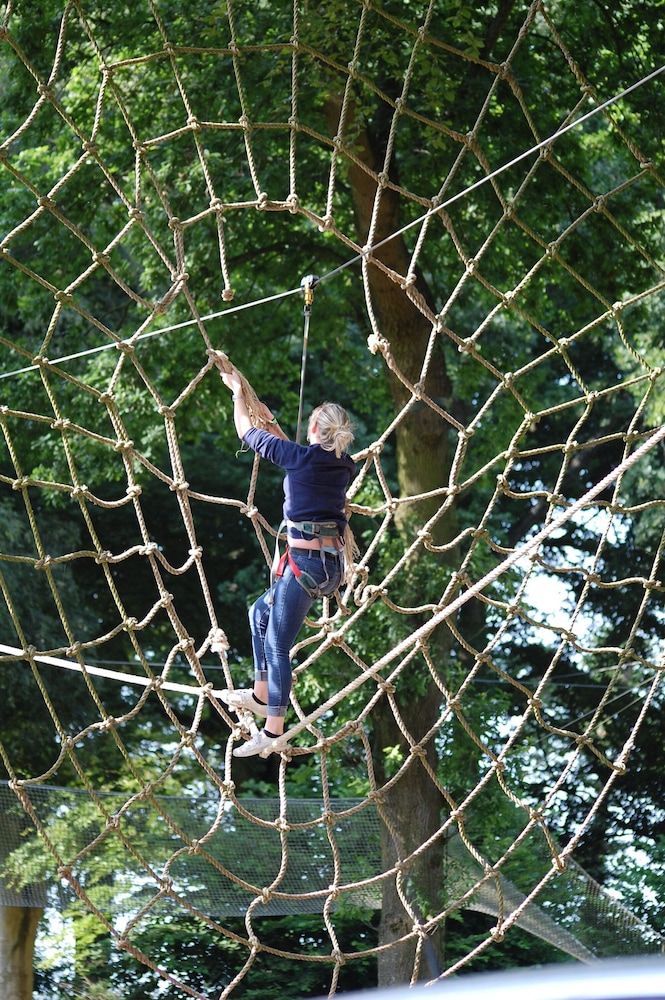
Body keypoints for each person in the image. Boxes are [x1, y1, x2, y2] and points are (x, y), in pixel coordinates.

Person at [217, 365, 355, 758]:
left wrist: (237, 395)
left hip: (309, 567)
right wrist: (270, 420)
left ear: (313, 431)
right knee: (258, 613)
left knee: (277, 643)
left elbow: (245, 431)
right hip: (323, 567)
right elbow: (294, 454)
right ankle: (262, 695)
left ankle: (273, 729)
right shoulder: (344, 464)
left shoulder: (304, 460)